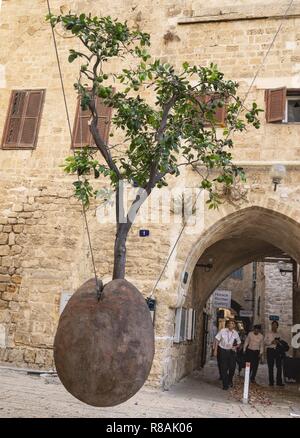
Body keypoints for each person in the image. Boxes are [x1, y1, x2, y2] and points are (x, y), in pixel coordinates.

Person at [214, 319, 241, 390]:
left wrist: (235, 347)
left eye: (233, 323)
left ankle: (230, 380)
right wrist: (215, 350)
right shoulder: (222, 331)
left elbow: (239, 343)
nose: (231, 324)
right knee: (224, 368)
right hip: (222, 350)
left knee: (232, 367)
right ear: (228, 324)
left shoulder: (235, 333)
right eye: (230, 323)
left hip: (231, 352)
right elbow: (217, 340)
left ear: (234, 325)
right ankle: (225, 385)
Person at [264, 321, 286, 386]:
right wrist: (271, 342)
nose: (274, 326)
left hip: (278, 351)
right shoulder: (268, 333)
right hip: (270, 350)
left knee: (279, 366)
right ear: (271, 325)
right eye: (273, 325)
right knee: (270, 366)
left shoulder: (279, 334)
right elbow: (264, 342)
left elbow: (282, 343)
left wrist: (278, 342)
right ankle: (271, 382)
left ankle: (279, 381)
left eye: (275, 325)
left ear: (277, 326)